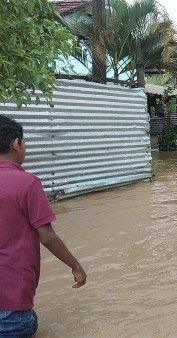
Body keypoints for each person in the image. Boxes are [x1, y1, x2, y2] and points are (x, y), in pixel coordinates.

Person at [0, 115, 87, 337]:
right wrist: (76, 266)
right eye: (25, 143)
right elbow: (47, 236)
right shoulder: (27, 183)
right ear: (15, 144)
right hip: (12, 302)